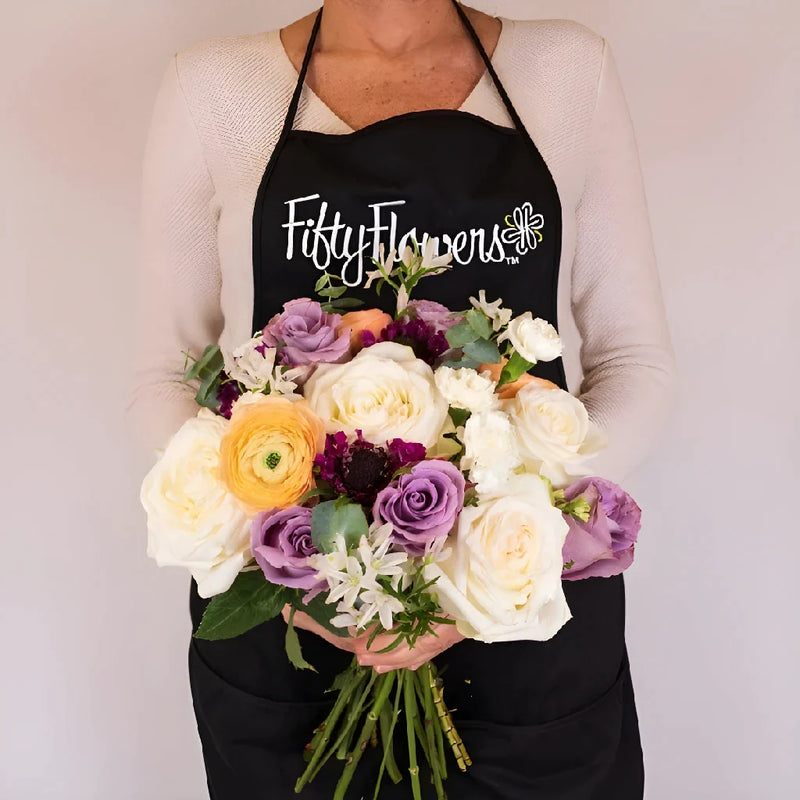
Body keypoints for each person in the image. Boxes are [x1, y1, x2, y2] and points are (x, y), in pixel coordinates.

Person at [128, 1, 678, 797]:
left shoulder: (567, 72)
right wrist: (305, 576)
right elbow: (165, 379)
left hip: (524, 606)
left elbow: (635, 364)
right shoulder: (214, 87)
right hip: (293, 620)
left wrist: (482, 570)